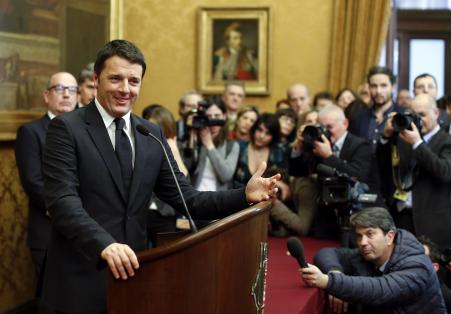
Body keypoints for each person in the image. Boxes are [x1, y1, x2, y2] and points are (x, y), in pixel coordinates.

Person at [41, 39, 280, 313]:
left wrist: (243, 195)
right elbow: (62, 201)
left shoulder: (150, 134)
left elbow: (187, 197)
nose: (125, 89)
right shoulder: (67, 128)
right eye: (116, 79)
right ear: (96, 79)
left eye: (134, 81)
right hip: (78, 281)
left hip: (134, 278)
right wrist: (104, 244)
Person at [300, 207, 446, 314]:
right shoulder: (367, 255)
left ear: (389, 237)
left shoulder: (417, 265)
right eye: (359, 236)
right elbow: (326, 253)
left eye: (370, 234)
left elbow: (379, 289)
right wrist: (335, 272)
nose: (362, 242)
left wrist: (328, 281)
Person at [15, 72, 78, 301]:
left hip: (85, 233)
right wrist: (68, 212)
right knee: (52, 301)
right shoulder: (30, 132)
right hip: (49, 230)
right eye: (59, 88)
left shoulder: (87, 131)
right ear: (46, 95)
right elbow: (33, 182)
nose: (66, 94)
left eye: (72, 90)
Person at [289, 104, 376, 239]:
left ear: (345, 123)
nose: (325, 133)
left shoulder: (360, 145)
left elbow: (358, 176)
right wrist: (299, 147)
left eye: (329, 127)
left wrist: (329, 156)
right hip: (327, 215)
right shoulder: (317, 145)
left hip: (355, 213)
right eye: (322, 128)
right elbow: (298, 172)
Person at [377, 93, 451, 248]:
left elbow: (444, 172)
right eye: (414, 115)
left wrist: (417, 143)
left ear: (436, 113)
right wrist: (386, 136)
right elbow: (383, 167)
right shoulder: (404, 137)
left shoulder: (446, 140)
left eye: (423, 115)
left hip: (431, 222)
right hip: (400, 215)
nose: (418, 120)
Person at [350, 66, 403, 153]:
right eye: (374, 86)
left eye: (383, 85)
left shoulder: (402, 115)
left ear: (393, 87)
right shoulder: (359, 118)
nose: (378, 91)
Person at [190, 99, 240, 191]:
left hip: (218, 199)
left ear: (224, 116)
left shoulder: (232, 145)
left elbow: (225, 176)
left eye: (217, 115)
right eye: (209, 116)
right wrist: (192, 134)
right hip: (196, 195)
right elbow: (187, 170)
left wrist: (209, 145)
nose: (213, 119)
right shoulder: (197, 140)